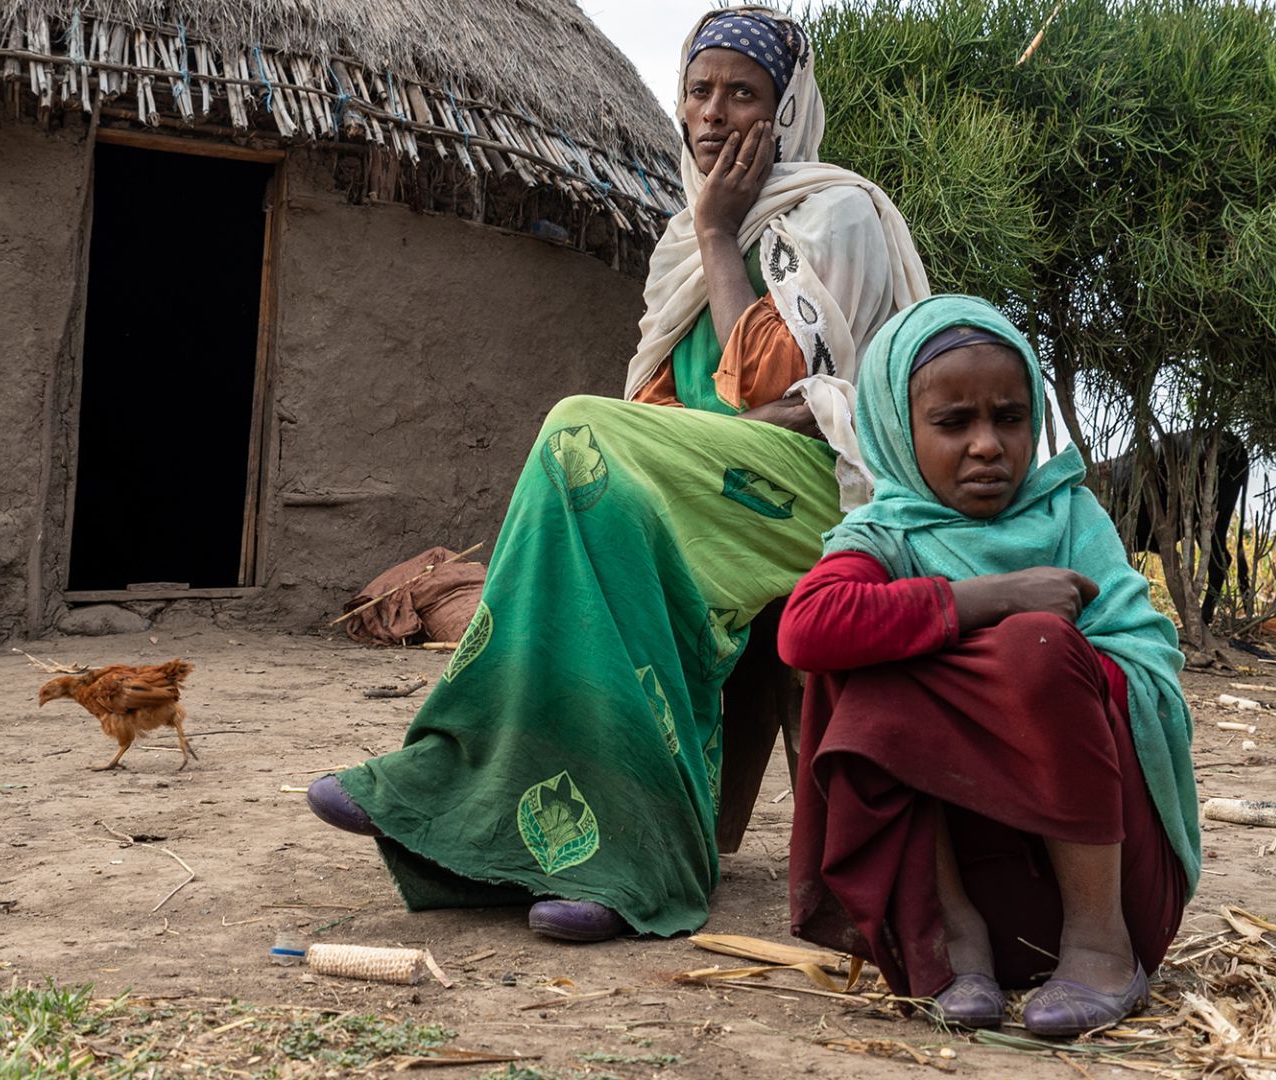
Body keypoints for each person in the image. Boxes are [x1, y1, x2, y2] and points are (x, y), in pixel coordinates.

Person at [303, 6, 929, 943]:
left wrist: (724, 236)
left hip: (817, 492)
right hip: (711, 485)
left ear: (787, 111)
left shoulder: (835, 214)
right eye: (700, 91)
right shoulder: (680, 237)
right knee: (588, 500)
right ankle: (594, 848)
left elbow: (791, 390)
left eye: (743, 95)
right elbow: (674, 411)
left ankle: (450, 772)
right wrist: (706, 246)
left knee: (576, 429)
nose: (714, 114)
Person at [779, 295, 1198, 1036]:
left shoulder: (1068, 519)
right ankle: (953, 939)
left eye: (1010, 418)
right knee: (867, 652)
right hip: (960, 886)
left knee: (1033, 647)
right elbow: (806, 630)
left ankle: (1101, 947)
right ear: (895, 431)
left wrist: (1019, 652)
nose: (986, 445)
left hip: (1102, 882)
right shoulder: (884, 531)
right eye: (952, 423)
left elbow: (1145, 665)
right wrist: (988, 598)